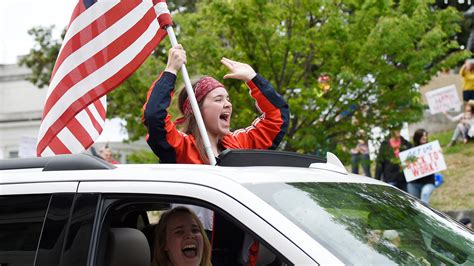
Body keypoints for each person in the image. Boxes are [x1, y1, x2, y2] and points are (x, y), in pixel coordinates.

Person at [143, 44, 289, 164]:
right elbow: (154, 116)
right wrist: (170, 71)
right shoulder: (182, 147)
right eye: (218, 99)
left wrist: (253, 79)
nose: (228, 104)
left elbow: (277, 119)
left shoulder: (238, 145)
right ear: (196, 110)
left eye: (228, 99)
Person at [375, 127, 412, 192]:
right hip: (390, 178)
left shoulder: (406, 144)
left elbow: (412, 160)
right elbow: (380, 163)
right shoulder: (385, 144)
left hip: (404, 179)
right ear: (391, 130)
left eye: (399, 128)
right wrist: (376, 180)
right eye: (395, 129)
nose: (398, 131)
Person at [407, 129, 435, 204]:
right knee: (414, 203)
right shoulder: (410, 152)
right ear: (417, 137)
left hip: (428, 181)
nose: (425, 137)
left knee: (425, 195)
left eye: (426, 135)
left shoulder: (431, 149)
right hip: (414, 183)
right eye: (423, 135)